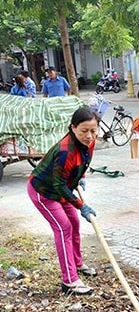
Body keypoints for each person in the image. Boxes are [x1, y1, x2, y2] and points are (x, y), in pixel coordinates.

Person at [27, 107, 99, 295]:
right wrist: (81, 206)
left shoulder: (89, 142)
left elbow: (84, 160)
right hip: (44, 192)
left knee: (74, 223)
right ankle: (69, 281)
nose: (89, 136)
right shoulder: (65, 151)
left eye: (93, 130)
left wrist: (79, 176)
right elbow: (58, 186)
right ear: (73, 128)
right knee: (63, 227)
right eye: (84, 131)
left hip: (63, 187)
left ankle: (77, 263)